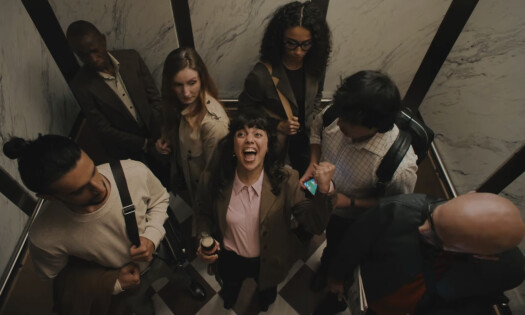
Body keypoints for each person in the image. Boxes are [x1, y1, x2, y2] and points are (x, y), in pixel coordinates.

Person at [2, 135, 202, 314]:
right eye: (79, 190)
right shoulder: (44, 236)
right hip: (124, 281)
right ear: (48, 197)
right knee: (138, 304)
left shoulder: (132, 172)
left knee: (179, 273)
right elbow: (61, 278)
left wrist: (152, 235)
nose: (99, 187)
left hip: (162, 254)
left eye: (92, 171)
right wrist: (111, 281)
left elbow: (160, 199)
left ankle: (188, 284)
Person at [194, 111, 336, 311]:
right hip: (230, 257)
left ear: (268, 146)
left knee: (266, 290)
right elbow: (203, 213)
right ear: (234, 146)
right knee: (230, 285)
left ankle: (265, 298)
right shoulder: (214, 179)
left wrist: (324, 190)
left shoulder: (287, 179)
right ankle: (231, 294)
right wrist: (204, 237)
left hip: (270, 257)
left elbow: (315, 224)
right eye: (241, 134)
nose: (249, 139)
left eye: (258, 134)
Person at [314, 192, 525, 315]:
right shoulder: (398, 211)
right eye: (433, 216)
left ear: (481, 255)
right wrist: (336, 277)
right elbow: (353, 244)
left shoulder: (505, 271)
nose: (422, 229)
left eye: (438, 237)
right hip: (364, 285)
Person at [301, 70, 418, 290]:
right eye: (342, 116)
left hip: (349, 216)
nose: (341, 125)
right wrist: (313, 162)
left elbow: (394, 208)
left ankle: (326, 271)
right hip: (318, 190)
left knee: (337, 247)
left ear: (376, 126)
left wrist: (349, 202)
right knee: (309, 216)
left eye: (350, 123)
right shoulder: (336, 115)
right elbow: (317, 129)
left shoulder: (399, 166)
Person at [238, 1, 331, 175]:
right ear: (280, 40)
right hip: (279, 149)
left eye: (306, 44)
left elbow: (316, 95)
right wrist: (278, 125)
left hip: (307, 145)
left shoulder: (315, 65)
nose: (298, 51)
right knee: (282, 188)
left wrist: (314, 122)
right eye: (291, 43)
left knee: (308, 189)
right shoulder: (262, 75)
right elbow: (244, 110)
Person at [67, 20, 165, 182]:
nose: (92, 58)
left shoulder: (131, 58)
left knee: (170, 180)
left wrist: (159, 134)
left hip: (158, 137)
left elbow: (154, 97)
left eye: (94, 50)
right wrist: (143, 143)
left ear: (103, 41)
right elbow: (103, 128)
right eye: (83, 55)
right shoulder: (80, 85)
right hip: (125, 151)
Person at [155, 47, 229, 204]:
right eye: (178, 85)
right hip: (186, 192)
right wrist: (166, 142)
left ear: (201, 79)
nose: (186, 92)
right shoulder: (178, 106)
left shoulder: (213, 125)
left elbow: (218, 182)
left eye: (192, 83)